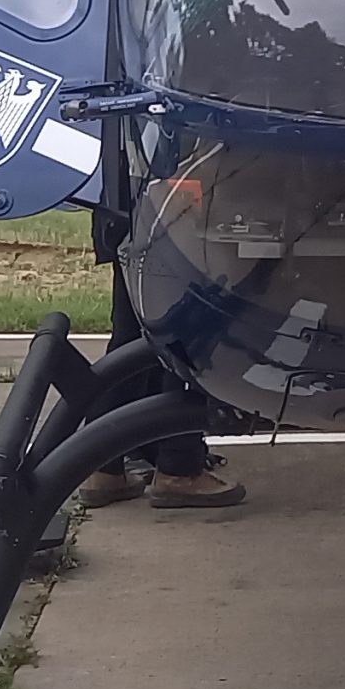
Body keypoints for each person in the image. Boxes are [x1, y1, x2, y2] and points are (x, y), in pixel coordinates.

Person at [79, 208, 245, 510]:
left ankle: (103, 467)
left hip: (125, 210)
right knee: (188, 333)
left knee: (130, 335)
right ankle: (179, 469)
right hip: (180, 214)